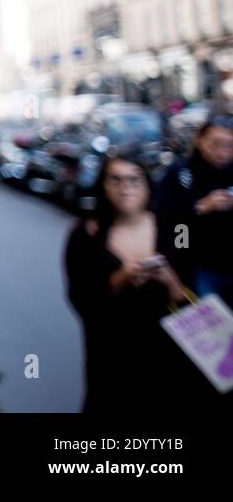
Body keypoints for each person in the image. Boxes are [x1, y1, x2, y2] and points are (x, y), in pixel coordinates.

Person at [64, 156, 205, 413]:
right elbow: (81, 300)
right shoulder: (84, 235)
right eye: (115, 180)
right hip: (111, 353)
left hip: (168, 354)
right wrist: (121, 278)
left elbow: (193, 300)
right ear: (102, 186)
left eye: (134, 180)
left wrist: (170, 282)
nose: (125, 188)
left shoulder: (174, 231)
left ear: (147, 186)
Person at [155, 115, 233, 307]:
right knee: (212, 331)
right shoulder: (181, 174)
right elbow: (172, 223)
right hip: (199, 268)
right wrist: (200, 207)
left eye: (230, 146)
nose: (223, 153)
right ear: (200, 140)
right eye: (216, 144)